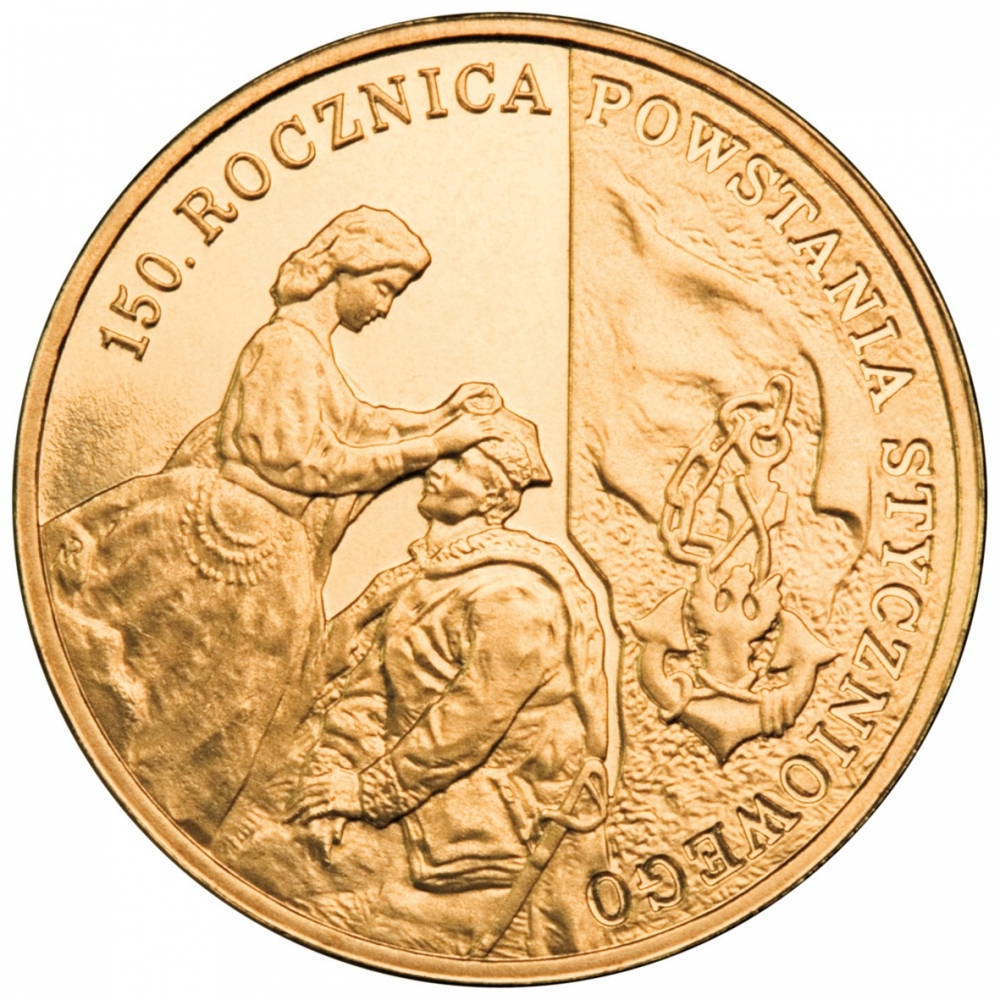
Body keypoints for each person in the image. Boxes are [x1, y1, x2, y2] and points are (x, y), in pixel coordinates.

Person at [41, 206, 500, 844]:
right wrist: (432, 446)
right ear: (348, 269)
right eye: (383, 287)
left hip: (262, 549)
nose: (385, 307)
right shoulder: (284, 346)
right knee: (192, 699)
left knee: (212, 703)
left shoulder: (307, 350)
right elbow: (304, 462)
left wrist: (437, 417)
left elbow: (357, 423)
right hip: (226, 544)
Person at [216, 410, 611, 957]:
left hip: (487, 824)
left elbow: (468, 723)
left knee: (263, 867)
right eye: (442, 457)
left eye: (459, 463)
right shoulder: (417, 580)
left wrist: (368, 793)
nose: (437, 468)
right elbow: (367, 691)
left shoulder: (517, 594)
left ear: (493, 495)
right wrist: (332, 776)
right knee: (246, 842)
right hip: (413, 802)